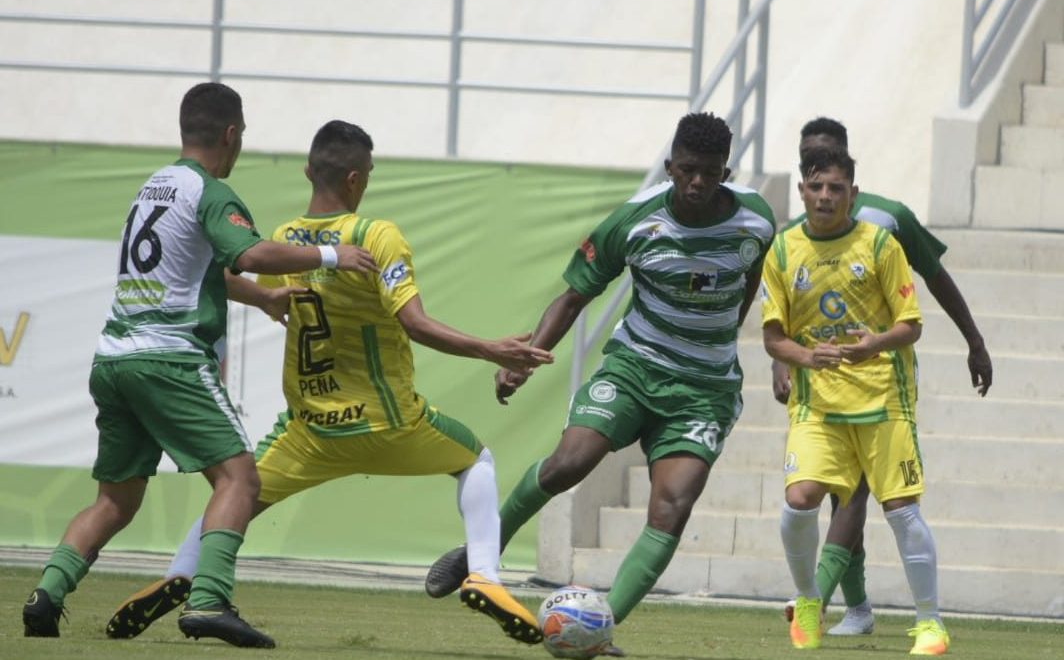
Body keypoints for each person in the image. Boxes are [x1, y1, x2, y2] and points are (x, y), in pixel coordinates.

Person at [103, 119, 554, 646]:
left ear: (306, 172)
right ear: (358, 180)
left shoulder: (284, 242)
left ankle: (183, 574)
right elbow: (414, 322)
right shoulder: (375, 236)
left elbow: (244, 282)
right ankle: (485, 577)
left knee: (237, 493)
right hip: (389, 421)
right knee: (475, 460)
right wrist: (490, 349)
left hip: (312, 430)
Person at [20, 83, 379, 648]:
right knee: (240, 478)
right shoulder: (213, 194)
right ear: (231, 135)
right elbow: (252, 253)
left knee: (115, 501)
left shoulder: (153, 187)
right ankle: (209, 601)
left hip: (114, 358)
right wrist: (333, 254)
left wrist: (262, 299)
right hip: (170, 360)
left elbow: (200, 271)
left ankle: (47, 592)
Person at [424, 112, 777, 649]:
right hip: (633, 368)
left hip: (704, 390)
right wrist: (526, 358)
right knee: (570, 462)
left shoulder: (756, 220)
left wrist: (721, 335)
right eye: (687, 170)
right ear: (669, 167)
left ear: (724, 171)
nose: (698, 183)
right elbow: (572, 297)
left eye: (709, 172)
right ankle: (482, 555)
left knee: (672, 506)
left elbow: (748, 278)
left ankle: (599, 628)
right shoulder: (633, 222)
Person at [775, 117, 992, 637]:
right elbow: (786, 315)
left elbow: (935, 280)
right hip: (822, 388)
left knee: (858, 496)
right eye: (810, 164)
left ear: (850, 173)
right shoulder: (793, 237)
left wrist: (974, 340)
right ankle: (858, 606)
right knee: (825, 495)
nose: (822, 184)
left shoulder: (888, 222)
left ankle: (820, 600)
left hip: (882, 384)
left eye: (830, 167)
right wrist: (782, 361)